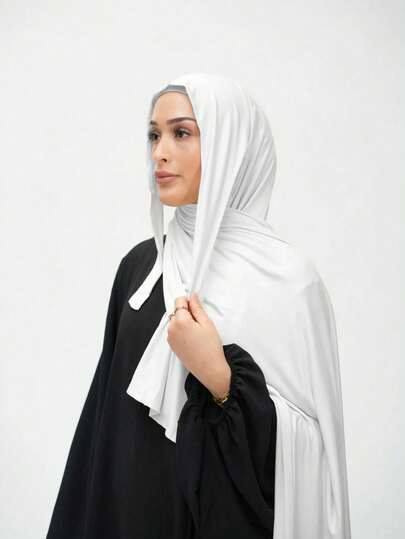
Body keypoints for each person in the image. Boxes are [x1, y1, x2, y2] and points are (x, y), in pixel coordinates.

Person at [46, 73, 351, 539]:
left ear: (233, 147)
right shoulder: (142, 268)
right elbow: (102, 428)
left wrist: (222, 379)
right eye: (154, 135)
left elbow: (316, 454)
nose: (159, 152)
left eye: (182, 133)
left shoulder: (290, 283)